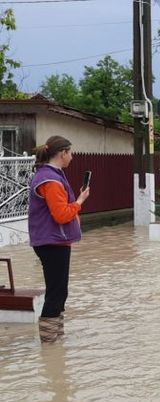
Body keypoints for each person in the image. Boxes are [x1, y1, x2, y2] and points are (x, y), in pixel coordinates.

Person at [28, 135, 90, 343]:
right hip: (52, 242)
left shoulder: (52, 175)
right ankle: (49, 343)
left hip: (54, 241)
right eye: (70, 153)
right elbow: (62, 214)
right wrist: (80, 200)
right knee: (56, 292)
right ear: (62, 153)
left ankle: (56, 340)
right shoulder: (51, 179)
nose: (72, 157)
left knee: (59, 291)